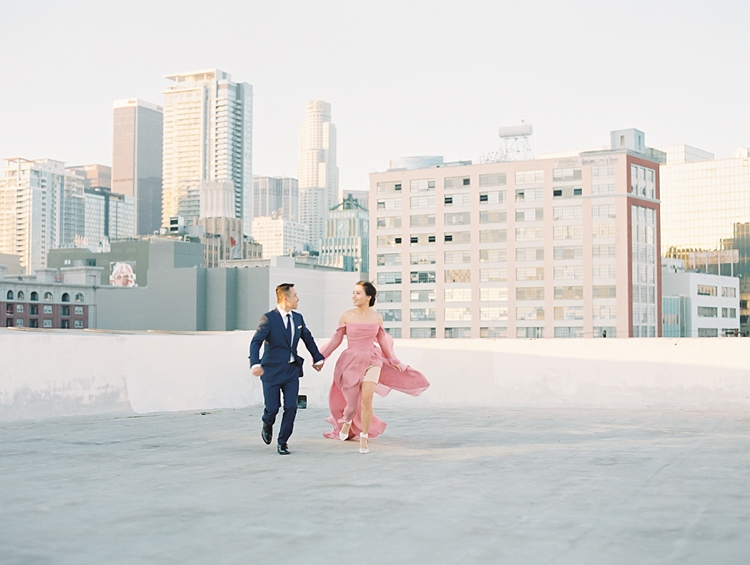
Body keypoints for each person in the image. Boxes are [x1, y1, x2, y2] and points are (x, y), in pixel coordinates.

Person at [319, 281, 429, 454]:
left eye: (358, 293)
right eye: (353, 293)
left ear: (368, 297)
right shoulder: (346, 316)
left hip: (372, 359)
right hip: (351, 361)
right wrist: (321, 357)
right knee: (352, 404)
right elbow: (336, 340)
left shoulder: (376, 317)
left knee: (367, 399)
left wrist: (393, 360)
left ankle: (364, 437)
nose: (353, 296)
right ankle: (346, 421)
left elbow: (383, 340)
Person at [249, 283, 325, 455]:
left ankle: (283, 441)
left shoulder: (298, 318)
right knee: (273, 408)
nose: (298, 298)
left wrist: (318, 357)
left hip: (291, 371)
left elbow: (308, 338)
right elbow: (256, 342)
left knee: (291, 407)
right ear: (285, 298)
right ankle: (267, 422)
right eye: (295, 295)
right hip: (271, 372)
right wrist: (255, 364)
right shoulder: (268, 318)